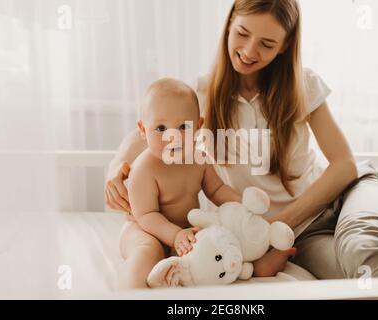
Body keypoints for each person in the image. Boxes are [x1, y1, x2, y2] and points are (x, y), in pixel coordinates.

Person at [106, 0, 378, 280]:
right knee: (356, 273)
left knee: (363, 245)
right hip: (298, 237)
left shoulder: (303, 85)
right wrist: (116, 167)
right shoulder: (202, 92)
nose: (249, 51)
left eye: (267, 43)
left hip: (349, 195)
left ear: (285, 46)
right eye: (242, 34)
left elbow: (344, 167)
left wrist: (278, 223)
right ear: (229, 24)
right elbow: (145, 133)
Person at [117, 78, 295, 289]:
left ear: (199, 127)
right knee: (148, 250)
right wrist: (174, 235)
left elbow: (218, 190)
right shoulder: (144, 169)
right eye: (161, 128)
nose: (172, 137)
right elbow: (146, 216)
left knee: (224, 242)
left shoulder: (198, 160)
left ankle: (257, 263)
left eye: (183, 127)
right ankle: (131, 290)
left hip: (186, 234)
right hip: (146, 231)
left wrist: (244, 206)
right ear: (143, 130)